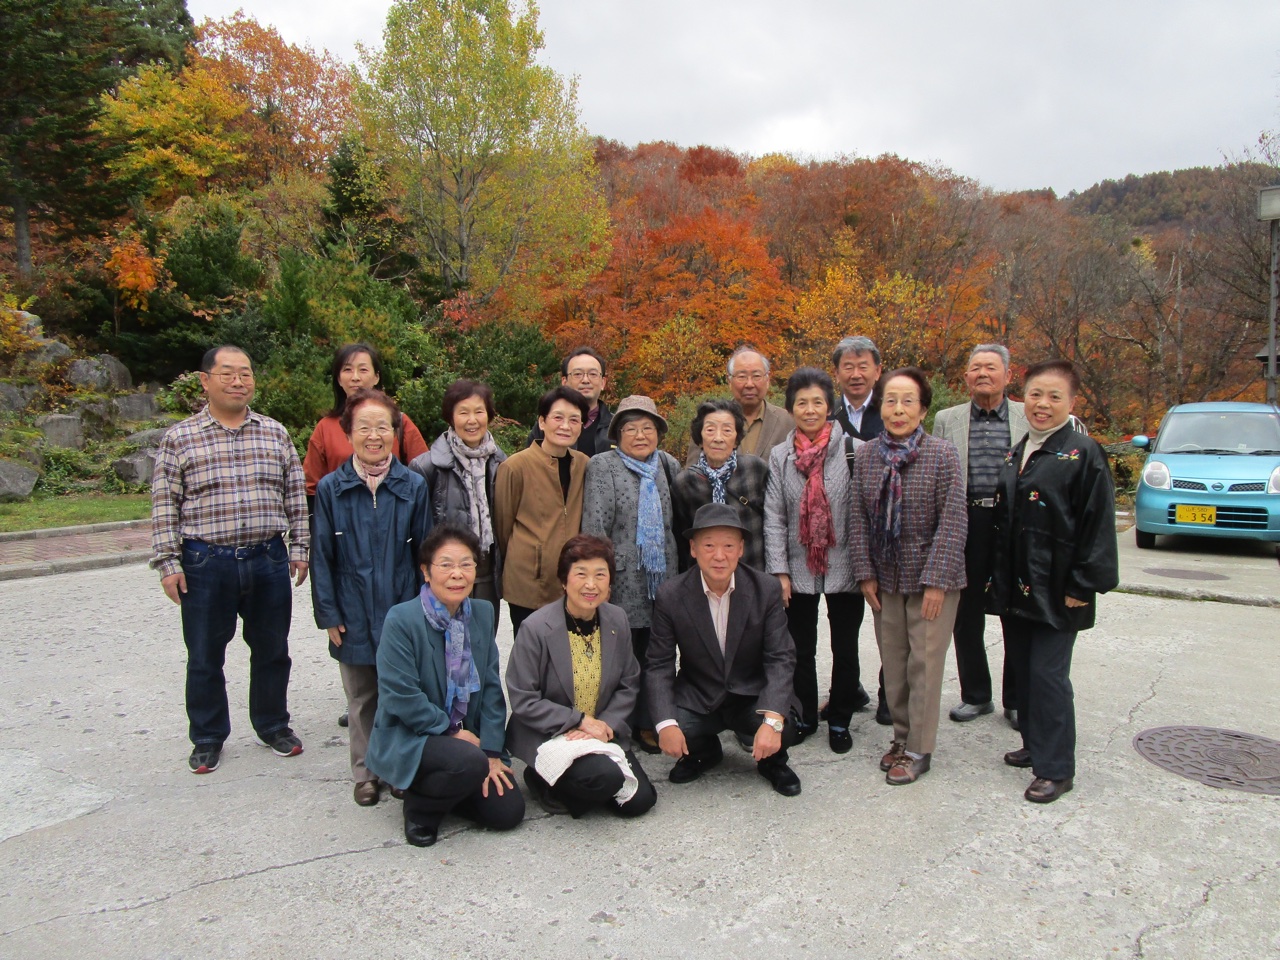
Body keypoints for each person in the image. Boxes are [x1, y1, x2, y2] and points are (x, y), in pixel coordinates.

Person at [151, 344, 310, 775]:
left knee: (273, 649)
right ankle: (207, 737)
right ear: (205, 380)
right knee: (204, 654)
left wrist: (299, 549)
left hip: (267, 557)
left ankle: (273, 724)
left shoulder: (274, 433)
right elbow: (165, 503)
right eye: (227, 374)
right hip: (206, 562)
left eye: (245, 373)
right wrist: (168, 563)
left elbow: (295, 495)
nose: (238, 381)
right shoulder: (180, 437)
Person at [987, 359, 1118, 804]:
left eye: (1054, 397)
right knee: (1023, 671)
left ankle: (1057, 768)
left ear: (1071, 402)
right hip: (1016, 586)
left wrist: (1083, 585)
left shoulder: (1083, 453)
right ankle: (1035, 744)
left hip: (1060, 588)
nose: (1042, 405)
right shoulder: (1019, 448)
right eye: (1035, 395)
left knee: (1048, 676)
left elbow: (1097, 523)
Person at [365, 524, 525, 847]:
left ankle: (452, 788)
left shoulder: (481, 613)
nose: (458, 574)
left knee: (508, 811)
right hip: (414, 734)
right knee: (467, 760)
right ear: (426, 571)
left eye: (466, 564)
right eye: (446, 565)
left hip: (467, 743)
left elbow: (492, 688)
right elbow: (400, 696)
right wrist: (451, 732)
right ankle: (420, 808)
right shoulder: (402, 620)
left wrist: (492, 752)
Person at [310, 388, 432, 806]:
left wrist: (426, 608)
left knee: (402, 692)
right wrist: (328, 613)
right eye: (364, 427)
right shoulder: (331, 489)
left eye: (383, 426)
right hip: (352, 608)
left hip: (402, 608)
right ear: (349, 433)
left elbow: (425, 555)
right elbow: (321, 554)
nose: (374, 435)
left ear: (395, 432)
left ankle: (399, 768)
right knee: (361, 696)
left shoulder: (413, 485)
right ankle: (365, 772)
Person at [849, 367, 968, 785]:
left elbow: (953, 520)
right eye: (891, 401)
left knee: (925, 665)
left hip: (931, 577)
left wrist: (938, 580)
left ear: (922, 408)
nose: (898, 410)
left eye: (908, 401)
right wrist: (864, 573)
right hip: (885, 577)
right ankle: (901, 737)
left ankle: (920, 748)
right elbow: (857, 518)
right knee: (894, 665)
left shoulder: (941, 454)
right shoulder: (865, 455)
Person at [647, 502, 802, 797]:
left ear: (741, 549)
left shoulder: (765, 588)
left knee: (785, 723)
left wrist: (772, 720)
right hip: (699, 693)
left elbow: (780, 657)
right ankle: (704, 752)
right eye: (709, 545)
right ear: (693, 549)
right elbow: (658, 664)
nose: (719, 556)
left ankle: (772, 761)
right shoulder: (671, 594)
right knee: (672, 721)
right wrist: (664, 724)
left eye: (729, 545)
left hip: (750, 692)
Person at [505, 535, 658, 819]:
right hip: (552, 732)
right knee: (605, 778)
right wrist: (579, 721)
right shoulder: (536, 628)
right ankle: (541, 779)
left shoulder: (617, 620)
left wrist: (606, 725)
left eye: (600, 575)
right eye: (581, 574)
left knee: (641, 802)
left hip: (601, 730)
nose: (591, 584)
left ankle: (580, 784)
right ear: (564, 580)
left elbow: (629, 682)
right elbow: (524, 698)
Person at [763, 368, 867, 754]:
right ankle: (806, 713)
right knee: (799, 649)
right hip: (798, 565)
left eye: (818, 402)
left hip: (847, 565)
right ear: (790, 408)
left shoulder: (855, 449)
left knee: (846, 646)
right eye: (801, 402)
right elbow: (773, 515)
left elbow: (863, 513)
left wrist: (866, 569)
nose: (809, 410)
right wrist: (780, 571)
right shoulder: (780, 455)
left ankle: (839, 717)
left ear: (830, 406)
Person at [931, 345, 1028, 729]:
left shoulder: (1027, 415)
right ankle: (976, 694)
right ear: (966, 377)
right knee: (965, 613)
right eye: (975, 368)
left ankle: (1017, 699)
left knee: (1015, 610)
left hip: (1013, 522)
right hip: (966, 518)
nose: (983, 374)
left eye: (991, 367)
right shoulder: (947, 418)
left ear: (1008, 375)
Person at [581, 395, 681, 750]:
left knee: (660, 650)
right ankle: (625, 723)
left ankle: (657, 718)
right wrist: (597, 579)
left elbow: (679, 520)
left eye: (648, 428)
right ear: (617, 434)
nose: (640, 435)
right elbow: (594, 528)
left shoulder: (667, 464)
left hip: (663, 576)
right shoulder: (602, 465)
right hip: (622, 579)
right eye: (631, 429)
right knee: (626, 653)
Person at [494, 386, 591, 635]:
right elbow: (503, 526)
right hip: (528, 582)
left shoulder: (584, 464)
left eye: (574, 420)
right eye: (558, 418)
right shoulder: (515, 467)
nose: (565, 426)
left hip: (570, 580)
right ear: (542, 421)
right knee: (531, 656)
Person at [408, 379, 507, 619]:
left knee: (481, 641)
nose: (472, 420)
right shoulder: (427, 466)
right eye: (463, 412)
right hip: (444, 575)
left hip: (485, 574)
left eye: (479, 412)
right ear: (451, 417)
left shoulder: (502, 464)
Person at [303, 343, 428, 500]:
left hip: (394, 517)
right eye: (347, 370)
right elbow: (312, 488)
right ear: (339, 379)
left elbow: (424, 474)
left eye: (363, 370)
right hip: (342, 519)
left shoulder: (399, 423)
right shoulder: (325, 427)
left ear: (376, 377)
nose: (355, 377)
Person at [671, 399, 769, 572]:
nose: (718, 438)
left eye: (727, 430)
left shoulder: (755, 469)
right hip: (705, 578)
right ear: (699, 438)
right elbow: (682, 540)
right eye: (710, 430)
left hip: (754, 573)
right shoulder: (685, 482)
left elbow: (773, 523)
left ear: (737, 438)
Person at [683, 346, 792, 465]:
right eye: (742, 377)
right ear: (729, 381)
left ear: (767, 379)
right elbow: (692, 472)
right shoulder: (708, 421)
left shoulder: (787, 422)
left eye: (756, 376)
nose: (749, 384)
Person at [526, 346, 614, 456]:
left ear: (603, 382)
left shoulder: (617, 427)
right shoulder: (547, 425)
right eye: (577, 374)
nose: (586, 380)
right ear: (564, 381)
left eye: (593, 374)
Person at [831, 335, 885, 442]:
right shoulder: (826, 415)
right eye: (849, 368)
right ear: (836, 373)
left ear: (877, 371)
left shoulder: (889, 413)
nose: (856, 375)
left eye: (863, 367)